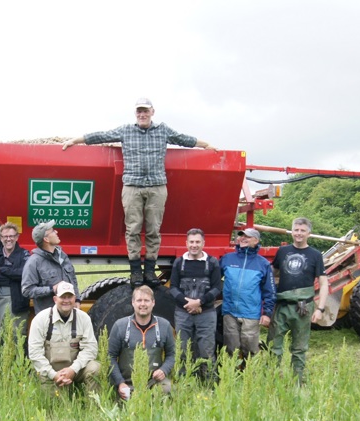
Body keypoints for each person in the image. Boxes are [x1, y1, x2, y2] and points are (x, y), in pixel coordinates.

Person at [62, 98, 216, 287]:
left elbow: (184, 139)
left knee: (153, 229)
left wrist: (206, 145)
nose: (142, 115)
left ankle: (150, 270)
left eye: (145, 111)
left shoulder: (163, 130)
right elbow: (101, 136)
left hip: (157, 186)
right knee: (132, 228)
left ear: (152, 111)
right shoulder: (126, 130)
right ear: (135, 114)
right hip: (132, 186)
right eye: (139, 112)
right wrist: (75, 140)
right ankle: (135, 270)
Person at [267, 217, 329, 383]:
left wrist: (320, 309)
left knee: (299, 348)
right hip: (281, 306)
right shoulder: (283, 252)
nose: (299, 233)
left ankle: (298, 382)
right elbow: (271, 276)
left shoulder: (315, 255)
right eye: (296, 230)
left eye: (302, 230)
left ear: (309, 233)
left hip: (303, 307)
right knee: (273, 346)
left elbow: (323, 284)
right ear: (292, 231)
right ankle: (270, 381)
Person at [27, 282, 101, 396]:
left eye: (69, 297)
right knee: (56, 408)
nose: (66, 300)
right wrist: (53, 375)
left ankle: (93, 407)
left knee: (95, 368)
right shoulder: (40, 319)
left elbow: (90, 349)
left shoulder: (83, 318)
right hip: (49, 372)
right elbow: (34, 353)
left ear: (75, 298)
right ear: (55, 299)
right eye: (62, 297)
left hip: (75, 369)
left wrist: (73, 370)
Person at [168, 228, 222, 379]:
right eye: (191, 242)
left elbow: (217, 287)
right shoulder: (179, 263)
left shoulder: (212, 263)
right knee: (182, 350)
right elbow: (173, 288)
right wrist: (188, 303)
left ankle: (210, 384)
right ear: (186, 243)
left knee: (207, 351)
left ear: (203, 243)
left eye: (197, 242)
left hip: (206, 314)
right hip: (182, 313)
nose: (194, 245)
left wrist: (200, 302)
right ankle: (183, 383)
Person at [108, 285, 177, 400]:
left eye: (146, 300)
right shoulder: (120, 326)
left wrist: (163, 370)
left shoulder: (164, 326)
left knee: (168, 388)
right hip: (127, 383)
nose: (143, 304)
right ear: (133, 303)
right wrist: (120, 382)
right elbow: (110, 357)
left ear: (153, 303)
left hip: (154, 382)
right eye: (139, 300)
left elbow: (172, 354)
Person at [219, 228, 276, 359]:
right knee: (231, 349)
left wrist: (267, 313)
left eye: (248, 236)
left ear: (256, 240)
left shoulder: (263, 264)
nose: (243, 238)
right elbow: (213, 280)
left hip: (251, 313)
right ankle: (232, 375)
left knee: (250, 349)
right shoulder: (227, 259)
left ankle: (251, 376)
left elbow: (270, 291)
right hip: (229, 312)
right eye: (241, 236)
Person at [22, 220, 79, 314]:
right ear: (46, 239)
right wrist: (51, 289)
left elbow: (73, 279)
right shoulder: (33, 262)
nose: (56, 232)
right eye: (52, 231)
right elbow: (27, 290)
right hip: (48, 317)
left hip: (69, 315)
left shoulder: (63, 256)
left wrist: (77, 300)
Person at [0, 222, 32, 340]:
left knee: (17, 336)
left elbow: (25, 274)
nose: (8, 239)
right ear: (0, 238)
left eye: (11, 236)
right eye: (5, 236)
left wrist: (2, 270)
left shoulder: (25, 254)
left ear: (17, 237)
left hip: (19, 301)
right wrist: (14, 277)